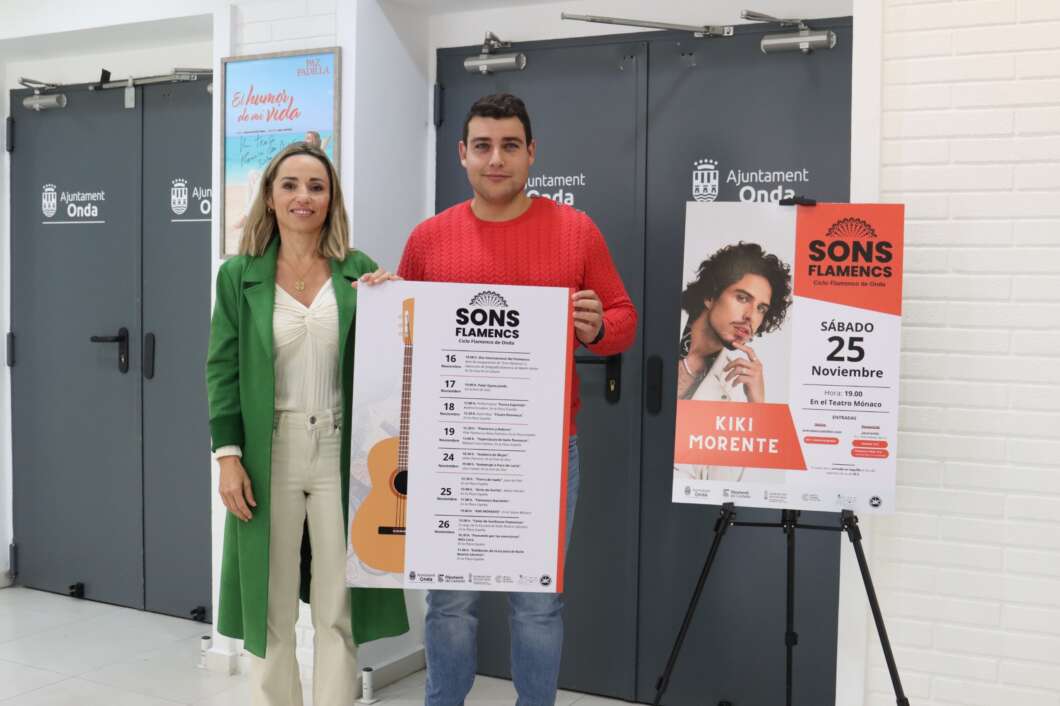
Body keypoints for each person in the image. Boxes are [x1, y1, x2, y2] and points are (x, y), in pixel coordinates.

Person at [398, 93, 638, 706]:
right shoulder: (429, 239)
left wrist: (598, 328)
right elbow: (404, 336)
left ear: (532, 153)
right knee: (448, 600)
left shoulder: (576, 231)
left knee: (537, 603)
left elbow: (623, 319)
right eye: (482, 146)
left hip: (545, 453)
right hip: (452, 448)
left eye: (510, 146)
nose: (496, 159)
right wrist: (382, 302)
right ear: (462, 154)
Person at [206, 141, 408, 706]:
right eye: (290, 185)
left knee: (337, 606)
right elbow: (221, 368)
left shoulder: (358, 270)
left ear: (331, 199)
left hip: (343, 450)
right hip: (270, 449)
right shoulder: (238, 275)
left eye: (316, 186)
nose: (304, 196)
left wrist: (393, 305)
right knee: (269, 604)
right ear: (270, 197)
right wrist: (227, 456)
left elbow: (389, 362)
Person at [674, 241, 793, 482]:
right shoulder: (661, 326)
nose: (750, 317)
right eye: (742, 298)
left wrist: (756, 407)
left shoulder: (734, 385)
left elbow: (723, 484)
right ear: (710, 296)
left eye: (761, 308)